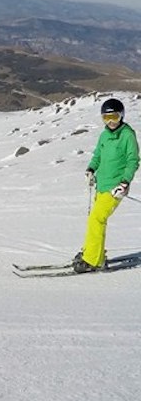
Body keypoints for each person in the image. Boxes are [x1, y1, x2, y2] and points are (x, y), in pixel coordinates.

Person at [75, 98, 138, 272]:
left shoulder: (127, 135)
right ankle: (93, 253)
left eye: (114, 117)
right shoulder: (104, 135)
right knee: (94, 220)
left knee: (97, 219)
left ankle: (93, 261)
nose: (111, 122)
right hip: (101, 186)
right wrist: (90, 169)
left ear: (122, 116)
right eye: (106, 118)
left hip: (115, 188)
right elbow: (98, 155)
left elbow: (133, 160)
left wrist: (125, 183)